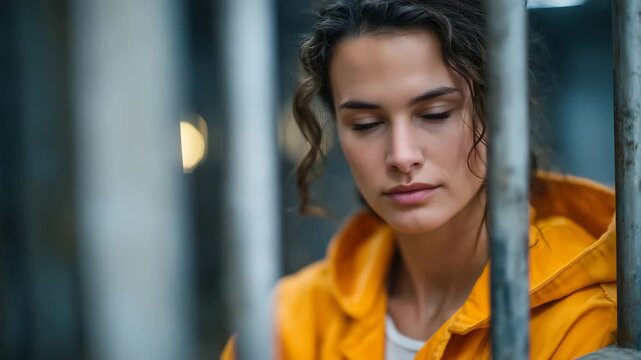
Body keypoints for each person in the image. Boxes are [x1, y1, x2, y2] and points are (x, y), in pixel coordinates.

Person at [222, 0, 617, 358]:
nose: (402, 156)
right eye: (366, 124)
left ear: (499, 112)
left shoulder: (587, 321)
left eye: (435, 114)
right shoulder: (289, 324)